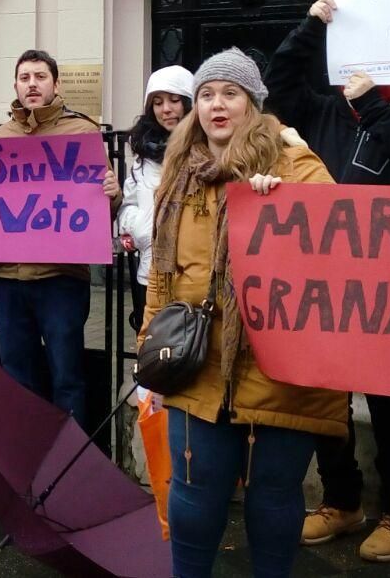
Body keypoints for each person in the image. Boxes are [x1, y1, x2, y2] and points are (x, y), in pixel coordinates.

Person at [265, 0, 390, 561]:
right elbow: (278, 84)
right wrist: (314, 20)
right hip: (324, 279)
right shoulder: (324, 107)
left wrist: (374, 104)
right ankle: (341, 502)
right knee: (328, 399)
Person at [141, 48, 347, 577]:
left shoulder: (295, 162)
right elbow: (163, 279)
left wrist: (283, 201)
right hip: (196, 362)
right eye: (207, 94)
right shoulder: (179, 173)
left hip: (279, 366)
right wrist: (149, 353)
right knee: (193, 493)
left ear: (253, 104)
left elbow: (340, 231)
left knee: (274, 498)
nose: (217, 105)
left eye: (231, 94)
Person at [0, 50, 119, 423]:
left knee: (66, 375)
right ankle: (29, 461)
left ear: (56, 84)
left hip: (62, 278)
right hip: (9, 278)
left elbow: (100, 211)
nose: (32, 84)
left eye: (40, 76)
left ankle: (70, 466)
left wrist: (111, 194)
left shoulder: (83, 133)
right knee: (18, 374)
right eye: (25, 77)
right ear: (16, 85)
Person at [116, 65, 195, 332]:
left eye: (174, 100)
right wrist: (137, 227)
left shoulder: (206, 150)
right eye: (158, 102)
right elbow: (129, 204)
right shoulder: (144, 157)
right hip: (150, 272)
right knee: (152, 346)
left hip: (192, 274)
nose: (166, 109)